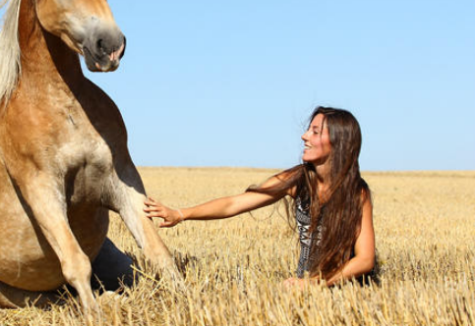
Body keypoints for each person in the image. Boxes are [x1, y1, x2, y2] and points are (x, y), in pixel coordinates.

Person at [144, 107, 376, 287]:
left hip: (341, 289)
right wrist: (181, 214)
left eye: (315, 131)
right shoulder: (297, 180)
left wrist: (315, 284)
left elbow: (365, 260)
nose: (305, 136)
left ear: (338, 141)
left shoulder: (357, 193)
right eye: (309, 129)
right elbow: (234, 203)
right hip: (301, 286)